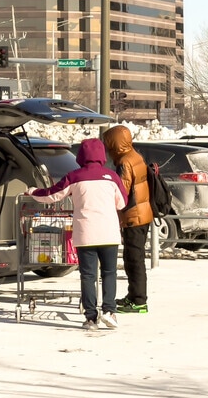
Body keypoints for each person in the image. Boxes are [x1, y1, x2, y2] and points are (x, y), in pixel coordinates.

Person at [27, 138, 127, 331]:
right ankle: (109, 311)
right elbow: (122, 202)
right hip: (109, 232)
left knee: (88, 276)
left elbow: (51, 195)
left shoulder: (74, 176)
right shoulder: (112, 177)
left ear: (81, 155)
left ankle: (91, 318)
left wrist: (33, 191)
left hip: (85, 232)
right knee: (109, 273)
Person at [102, 125, 151, 314]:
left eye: (109, 143)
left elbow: (121, 191)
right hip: (141, 213)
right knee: (134, 257)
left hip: (134, 216)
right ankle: (134, 297)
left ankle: (138, 300)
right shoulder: (135, 155)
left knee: (133, 259)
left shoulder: (125, 162)